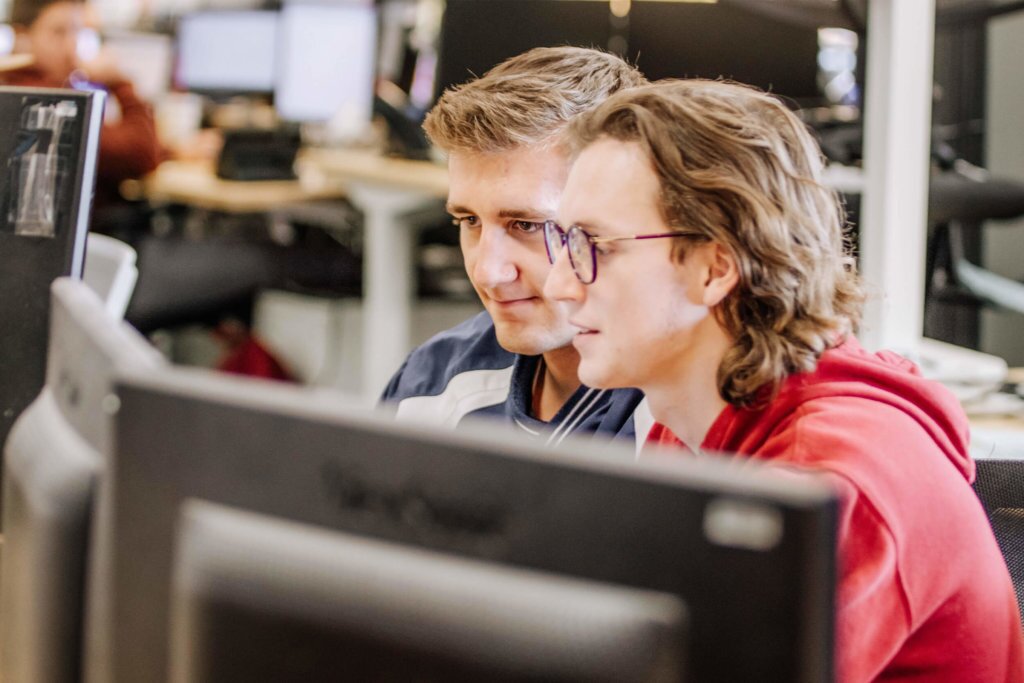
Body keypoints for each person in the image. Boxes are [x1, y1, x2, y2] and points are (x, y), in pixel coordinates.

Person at [543, 79, 1023, 680]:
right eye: (562, 241)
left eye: (595, 246)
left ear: (716, 268)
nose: (558, 284)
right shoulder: (691, 425)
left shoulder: (831, 483)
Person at [381, 47, 649, 447]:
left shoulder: (689, 414)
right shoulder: (431, 382)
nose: (487, 272)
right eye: (469, 221)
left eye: (526, 224)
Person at [5, 0, 161, 214]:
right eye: (58, 33)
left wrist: (174, 152)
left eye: (77, 32)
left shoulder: (45, 86)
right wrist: (119, 81)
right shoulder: (40, 99)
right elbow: (141, 154)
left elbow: (109, 145)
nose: (72, 47)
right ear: (22, 37)